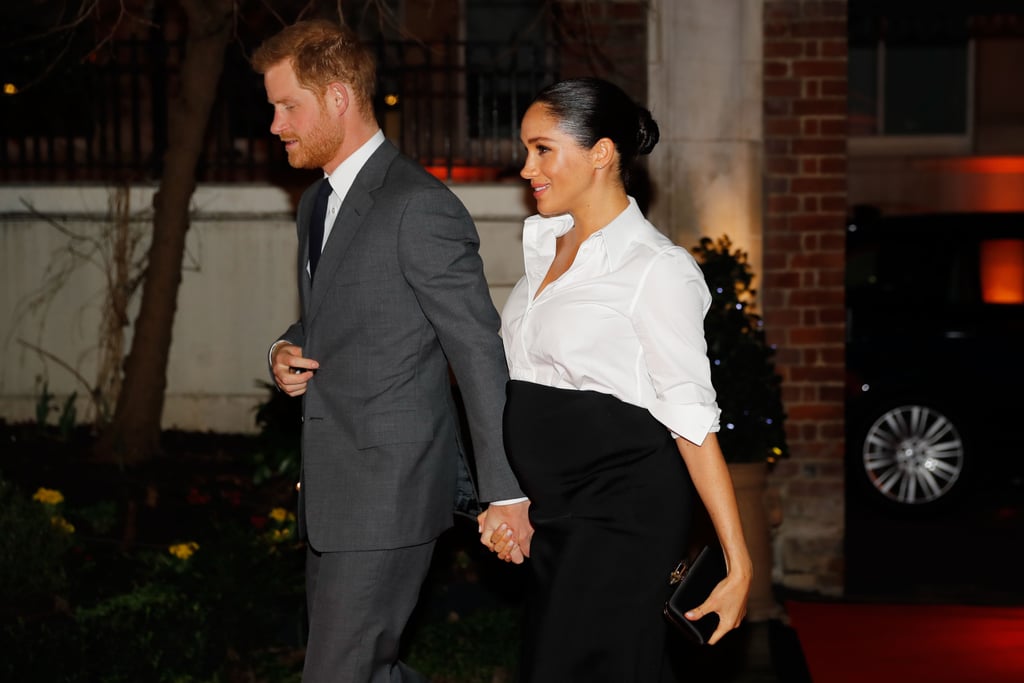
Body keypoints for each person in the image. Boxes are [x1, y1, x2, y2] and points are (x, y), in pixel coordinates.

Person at [252, 19, 531, 683]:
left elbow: (476, 349)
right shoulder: (317, 203)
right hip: (331, 491)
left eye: (288, 106)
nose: (275, 125)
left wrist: (506, 491)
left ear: (340, 98)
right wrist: (286, 347)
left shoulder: (418, 207)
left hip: (390, 495)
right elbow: (340, 313)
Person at [486, 77, 753, 682]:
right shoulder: (541, 251)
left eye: (542, 149)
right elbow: (525, 391)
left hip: (623, 512)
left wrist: (739, 562)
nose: (525, 167)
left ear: (601, 153)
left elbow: (690, 417)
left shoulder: (656, 269)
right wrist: (517, 498)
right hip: (555, 513)